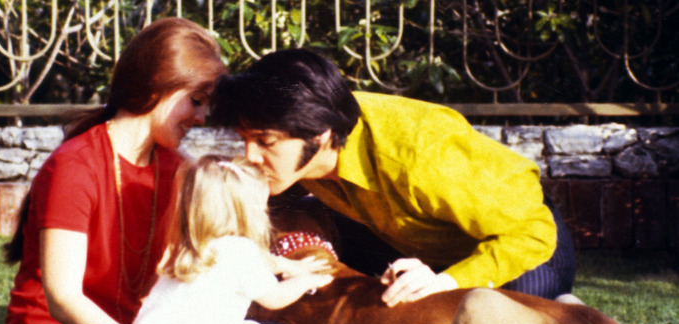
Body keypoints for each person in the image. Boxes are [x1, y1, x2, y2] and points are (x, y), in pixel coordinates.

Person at [0, 18, 305, 324]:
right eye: (195, 100)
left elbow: (220, 248)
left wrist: (288, 265)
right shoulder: (75, 165)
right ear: (159, 86)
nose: (200, 116)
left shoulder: (178, 170)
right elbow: (62, 299)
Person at [209, 48, 576, 304]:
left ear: (318, 135)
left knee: (501, 321)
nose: (249, 156)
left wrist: (446, 283)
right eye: (244, 140)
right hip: (407, 239)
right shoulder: (298, 152)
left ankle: (567, 312)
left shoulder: (420, 151)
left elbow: (531, 232)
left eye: (264, 141)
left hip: (522, 238)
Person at [131, 155, 363, 324]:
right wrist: (307, 280)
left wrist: (290, 265)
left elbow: (266, 262)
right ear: (244, 211)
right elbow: (274, 298)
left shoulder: (194, 248)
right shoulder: (241, 251)